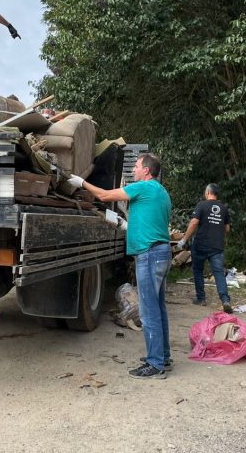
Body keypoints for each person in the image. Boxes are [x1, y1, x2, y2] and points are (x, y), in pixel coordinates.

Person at [66, 153, 172, 380]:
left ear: (146, 170)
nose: (133, 170)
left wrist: (81, 182)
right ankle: (163, 356)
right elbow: (152, 220)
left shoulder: (143, 188)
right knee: (158, 308)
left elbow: (104, 195)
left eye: (136, 166)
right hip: (162, 253)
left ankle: (155, 365)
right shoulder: (161, 193)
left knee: (148, 310)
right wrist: (127, 225)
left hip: (149, 255)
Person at [176, 183, 232, 312]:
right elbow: (227, 229)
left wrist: (183, 240)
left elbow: (194, 222)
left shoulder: (202, 205)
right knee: (219, 273)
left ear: (208, 192)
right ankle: (225, 299)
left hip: (200, 245)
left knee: (198, 270)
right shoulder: (223, 208)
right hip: (217, 246)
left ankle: (201, 298)